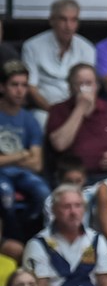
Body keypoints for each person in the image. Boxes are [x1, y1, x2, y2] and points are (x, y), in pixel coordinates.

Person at [46, 63, 107, 183]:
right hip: (72, 179)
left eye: (89, 83)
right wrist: (80, 109)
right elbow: (59, 144)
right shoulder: (58, 110)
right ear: (70, 87)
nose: (85, 89)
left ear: (97, 86)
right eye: (80, 84)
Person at [0, 61, 52, 238]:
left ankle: (25, 232)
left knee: (44, 193)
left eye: (24, 85)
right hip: (2, 175)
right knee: (5, 193)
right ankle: (12, 237)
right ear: (2, 87)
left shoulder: (30, 120)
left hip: (22, 174)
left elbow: (36, 164)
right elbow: (28, 157)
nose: (20, 90)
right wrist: (21, 154)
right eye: (14, 85)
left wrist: (7, 158)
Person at [20, 0, 96, 115]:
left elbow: (89, 87)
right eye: (63, 19)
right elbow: (31, 88)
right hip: (45, 110)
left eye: (73, 20)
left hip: (79, 109)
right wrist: (55, 112)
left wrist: (78, 112)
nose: (68, 26)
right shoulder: (32, 47)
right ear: (52, 20)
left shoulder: (87, 49)